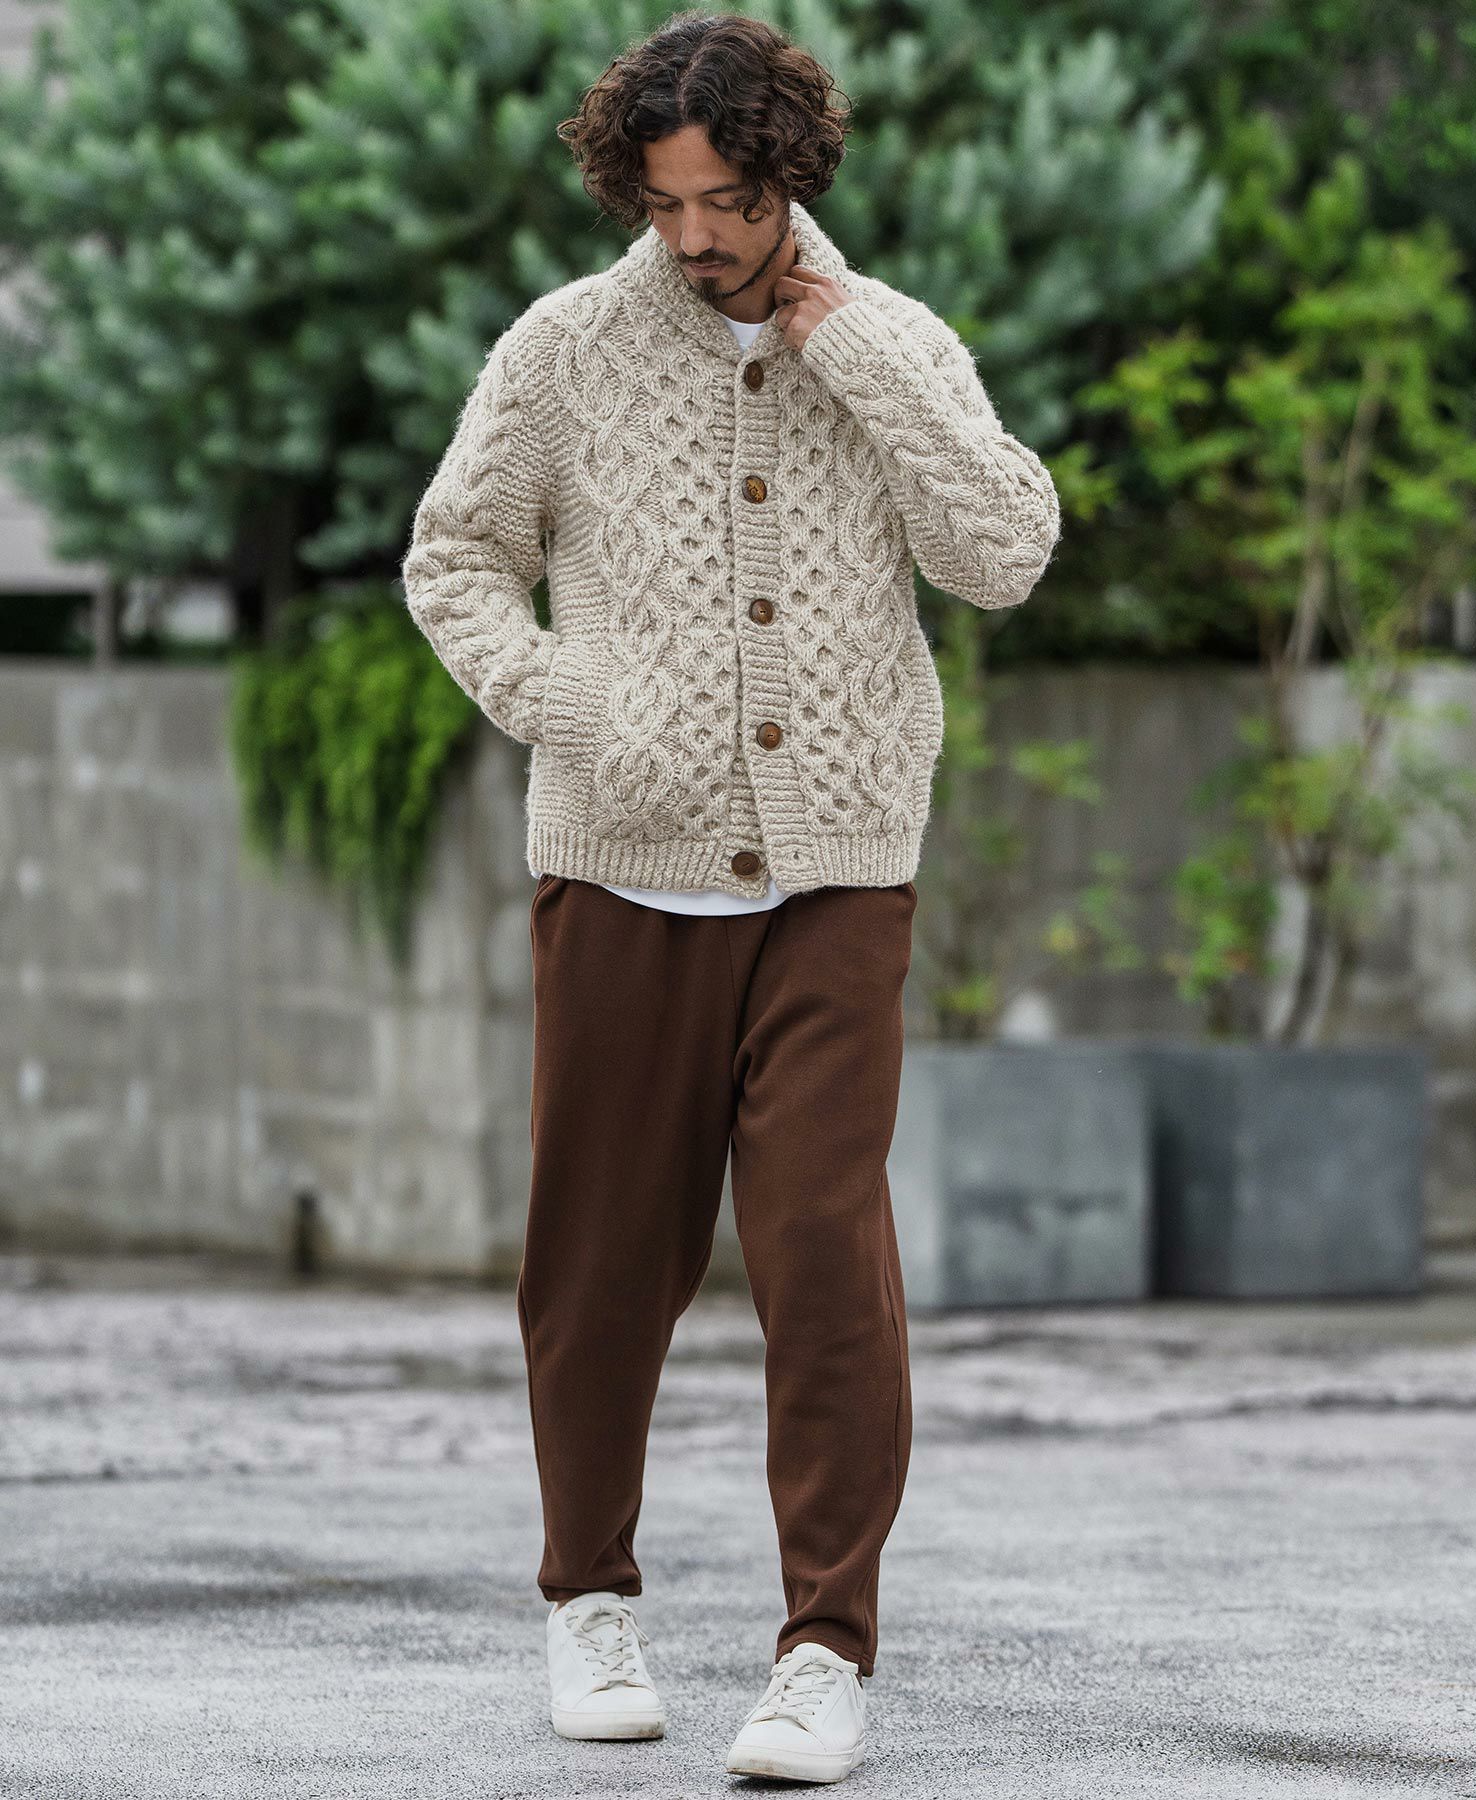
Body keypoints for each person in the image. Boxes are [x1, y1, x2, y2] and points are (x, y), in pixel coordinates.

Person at [401, 11, 1060, 1783]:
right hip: (622, 868)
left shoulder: (895, 340)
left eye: (728, 202)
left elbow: (1004, 553)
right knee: (602, 1267)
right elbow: (455, 556)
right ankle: (587, 1600)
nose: (695, 236)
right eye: (667, 202)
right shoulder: (566, 349)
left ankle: (825, 1649)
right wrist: (568, 703)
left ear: (790, 177)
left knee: (828, 1266)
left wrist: (868, 357)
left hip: (840, 874)